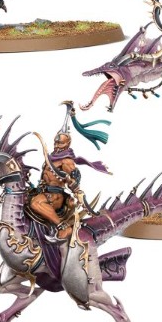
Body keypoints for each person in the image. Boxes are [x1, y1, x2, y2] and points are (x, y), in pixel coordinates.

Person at [28, 102, 111, 240]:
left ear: (67, 144)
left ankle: (62, 226)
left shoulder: (66, 161)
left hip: (56, 197)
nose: (56, 145)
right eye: (55, 142)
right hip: (42, 191)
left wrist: (73, 181)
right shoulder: (50, 158)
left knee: (36, 203)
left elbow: (75, 175)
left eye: (60, 143)